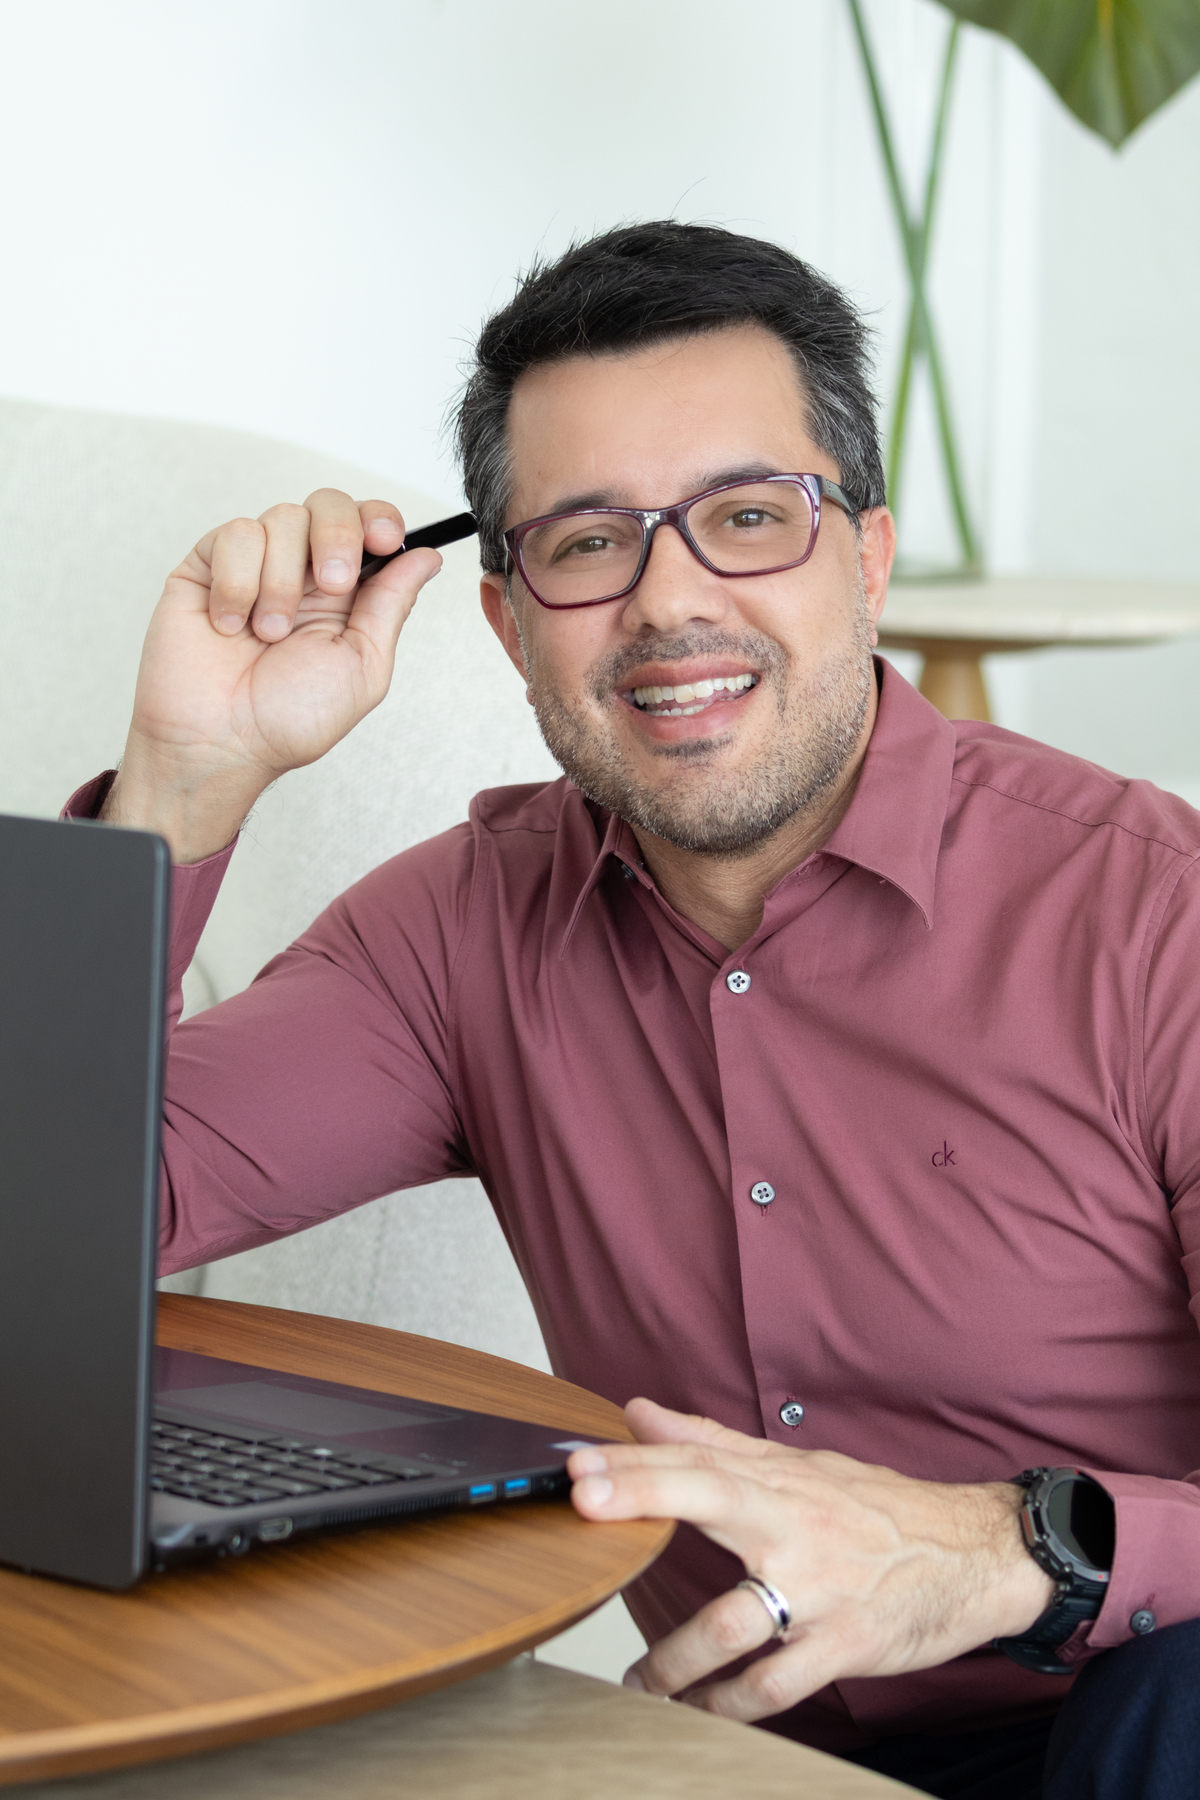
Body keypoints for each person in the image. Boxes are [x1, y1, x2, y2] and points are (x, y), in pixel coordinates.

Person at [70, 222, 1200, 1799]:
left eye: (750, 516)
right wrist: (182, 781)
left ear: (865, 560)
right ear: (507, 620)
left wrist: (1011, 1547)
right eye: (590, 543)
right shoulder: (460, 927)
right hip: (740, 1762)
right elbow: (49, 1221)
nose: (673, 604)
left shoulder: (1156, 912)